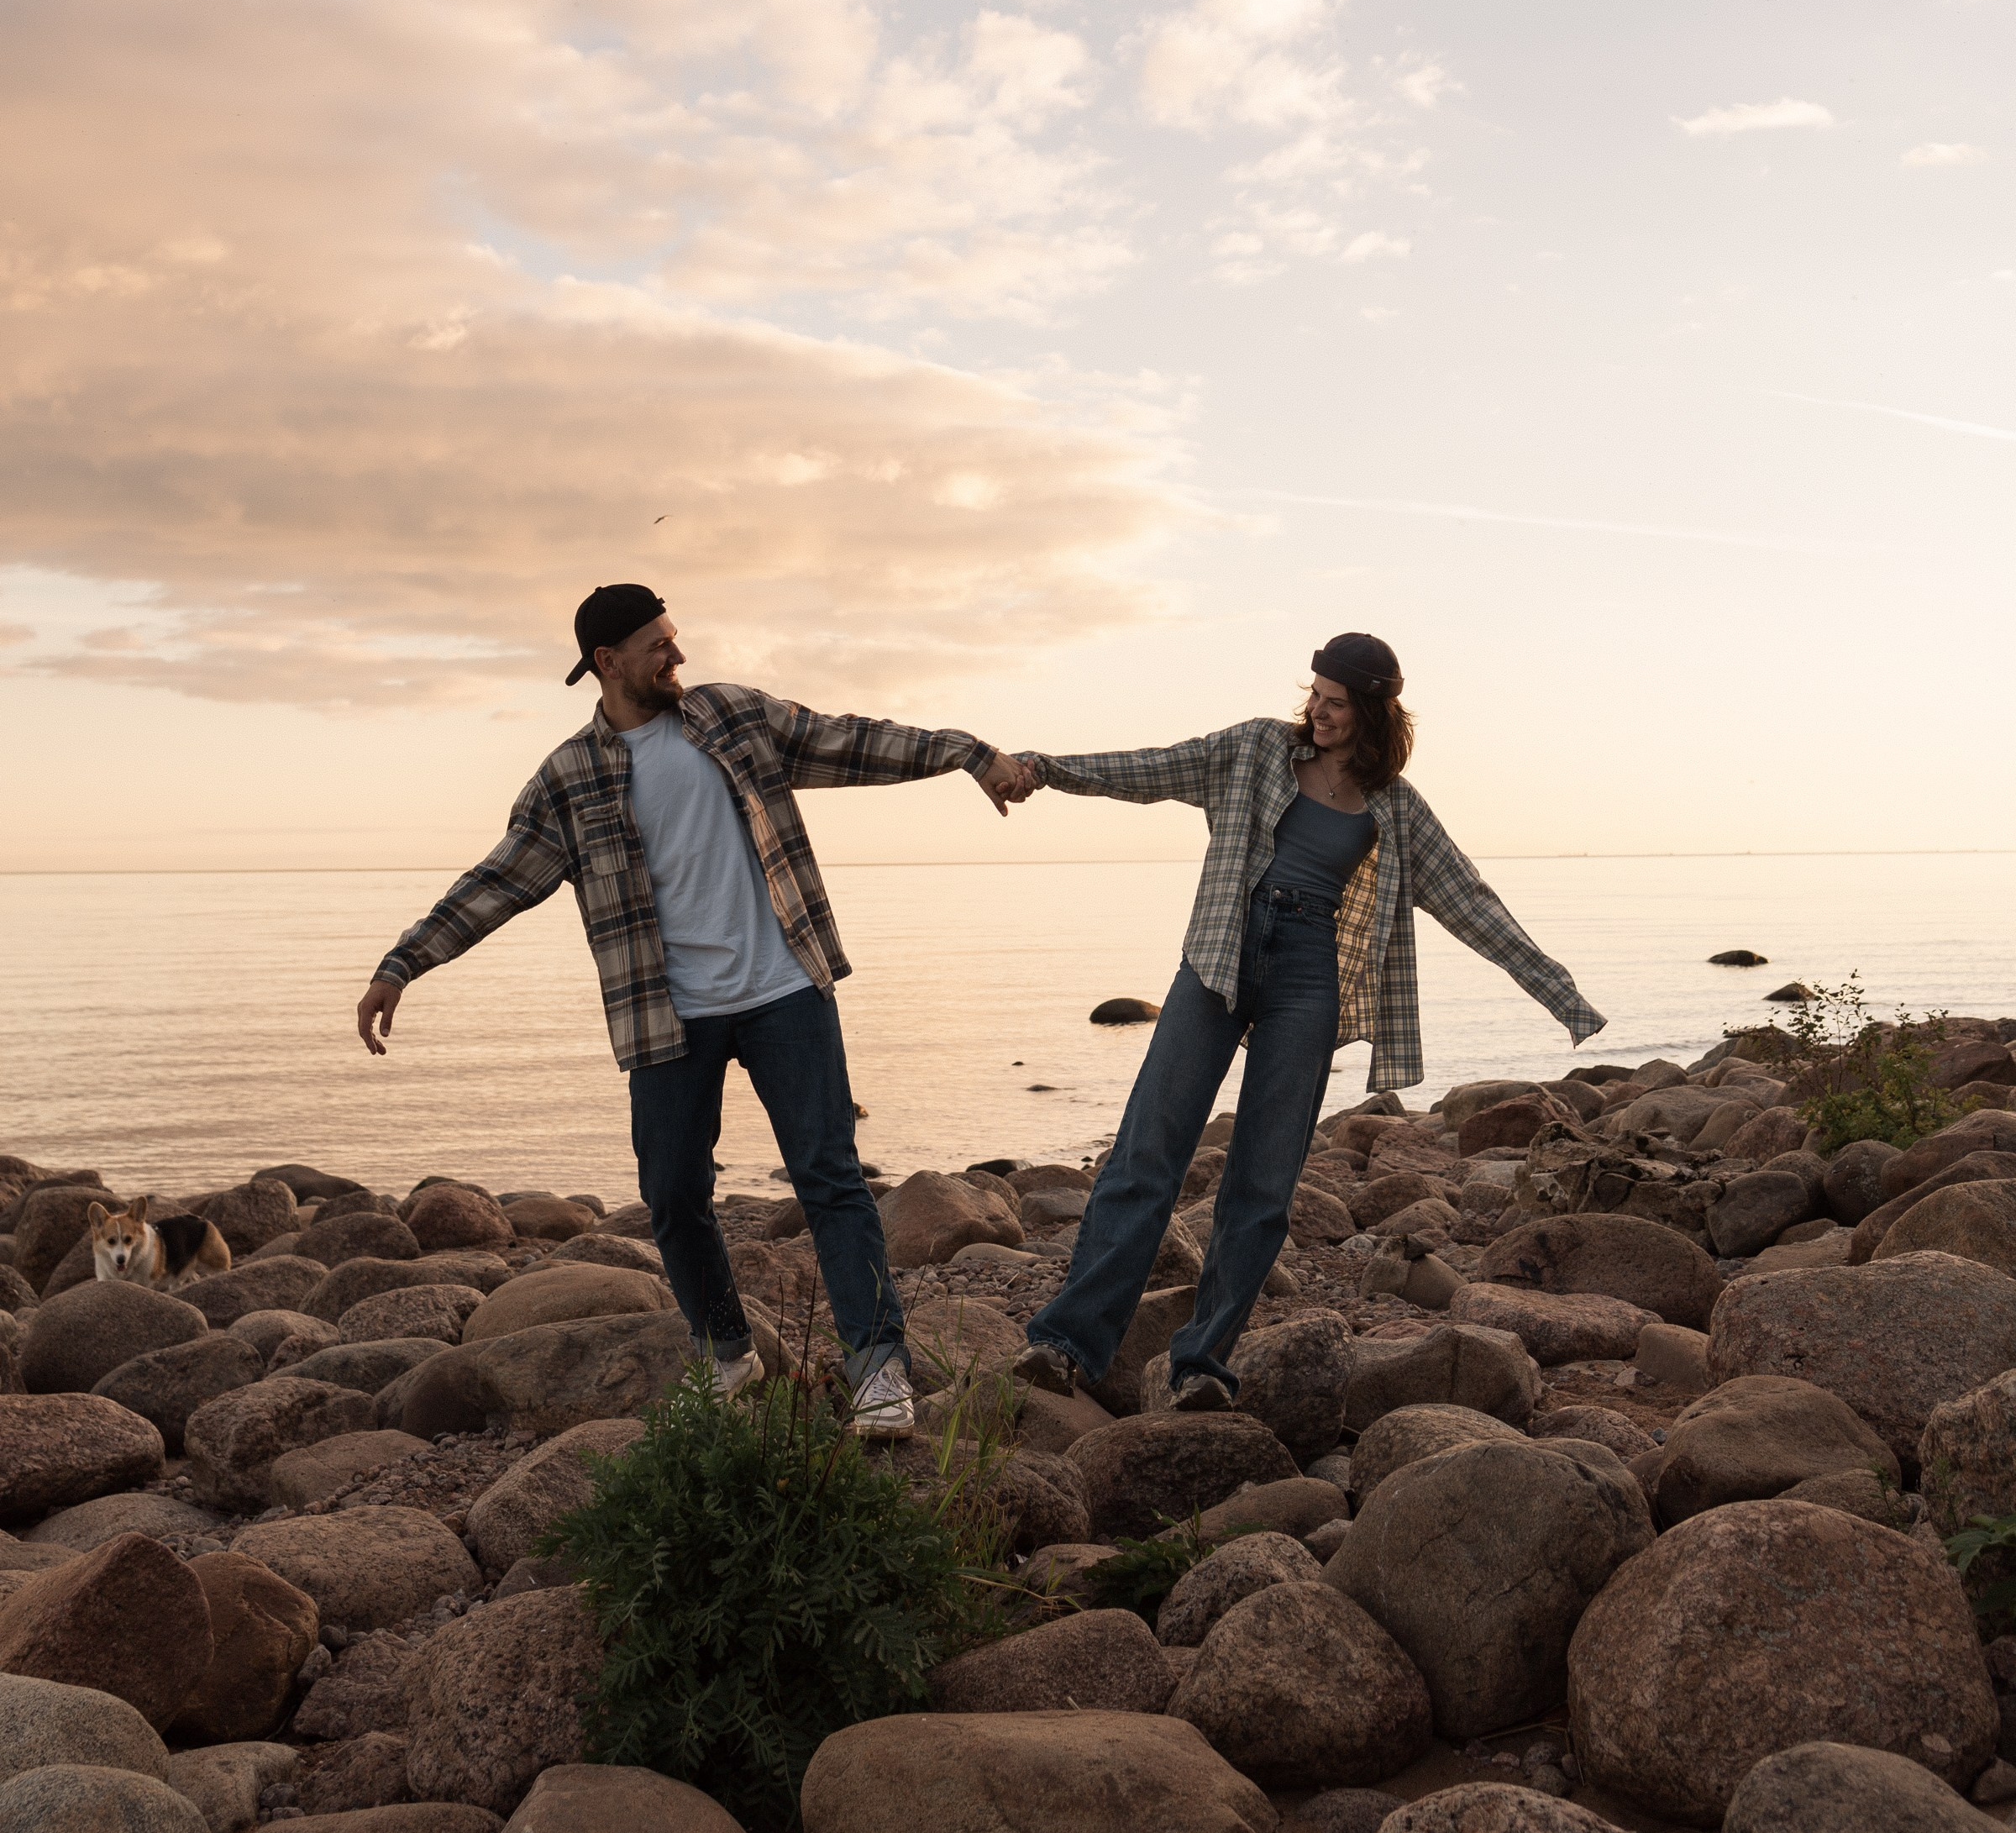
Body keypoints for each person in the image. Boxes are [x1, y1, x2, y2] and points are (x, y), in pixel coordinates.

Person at [356, 581, 1032, 1439]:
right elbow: (497, 883)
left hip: (785, 987)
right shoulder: (570, 778)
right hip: (667, 1015)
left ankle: (876, 1370)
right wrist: (405, 962)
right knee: (673, 1198)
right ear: (608, 664)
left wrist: (966, 752)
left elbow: (855, 741)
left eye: (675, 639)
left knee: (830, 1183)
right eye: (658, 646)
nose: (678, 655)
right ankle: (729, 1355)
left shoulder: (733, 718)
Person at [1007, 631, 1605, 1410]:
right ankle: (1066, 1344)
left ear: (1374, 711)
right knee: (1145, 1154)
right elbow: (1152, 769)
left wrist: (1558, 991)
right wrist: (1046, 771)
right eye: (1314, 695)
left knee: (1263, 1182)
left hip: (1305, 978)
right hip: (1219, 957)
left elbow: (1470, 902)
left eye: (1336, 702)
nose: (1317, 712)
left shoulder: (1395, 808)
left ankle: (1199, 1366)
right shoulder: (1256, 750)